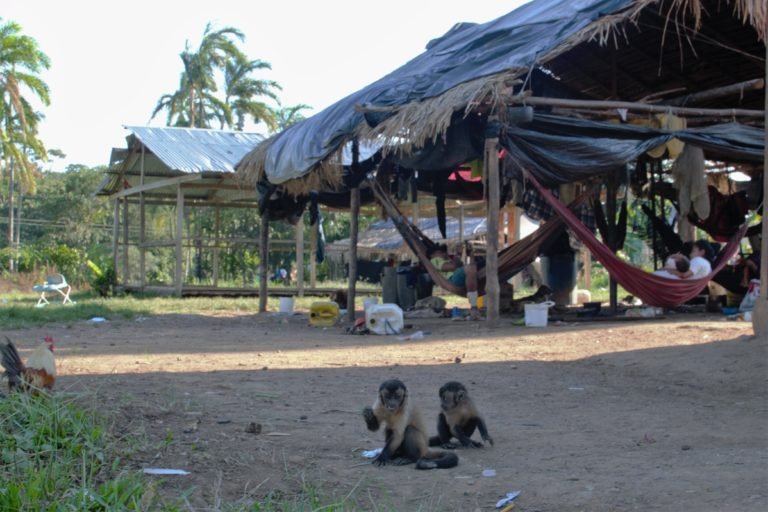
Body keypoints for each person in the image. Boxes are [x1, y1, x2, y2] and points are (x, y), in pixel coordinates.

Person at [428, 243, 479, 320]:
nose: (444, 253)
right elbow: (452, 267)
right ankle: (473, 307)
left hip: (460, 281)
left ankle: (472, 308)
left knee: (471, 268)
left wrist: (470, 254)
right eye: (440, 252)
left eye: (443, 252)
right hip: (449, 282)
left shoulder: (448, 260)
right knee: (470, 268)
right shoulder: (434, 260)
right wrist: (457, 254)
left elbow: (471, 266)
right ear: (432, 255)